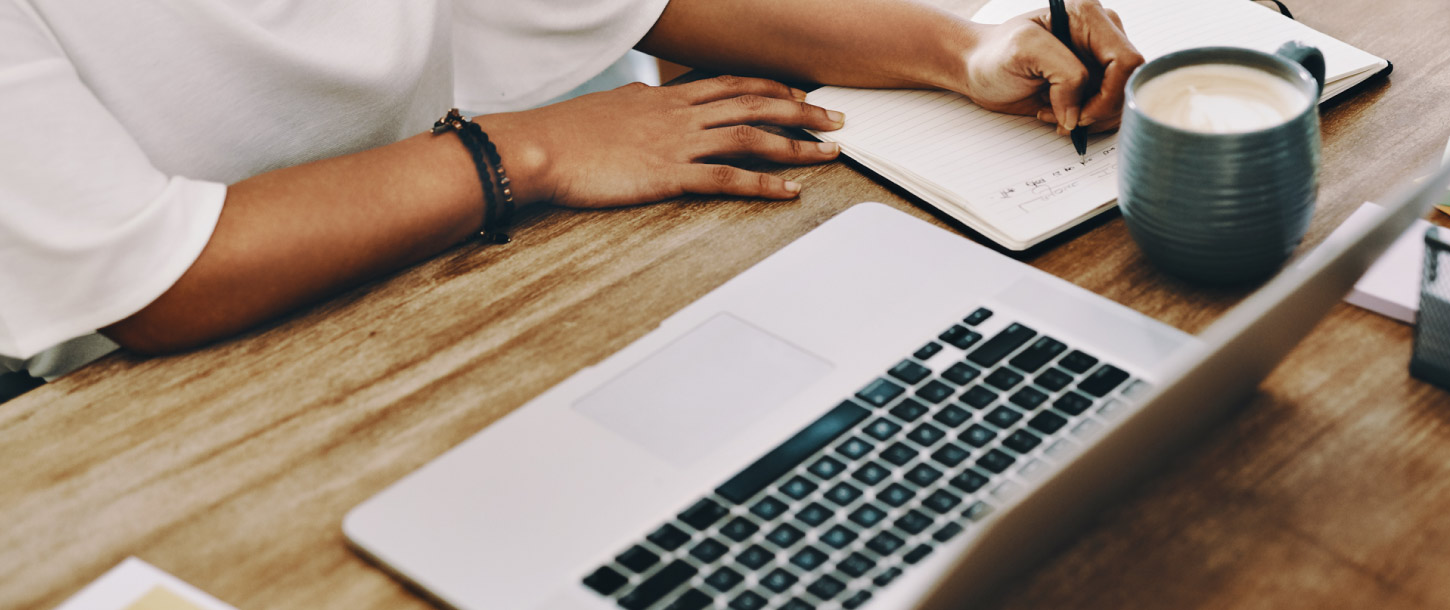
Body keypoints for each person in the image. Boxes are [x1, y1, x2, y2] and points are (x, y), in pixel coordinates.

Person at [0, 0, 1143, 383]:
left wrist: (958, 47)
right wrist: (518, 154)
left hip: (450, 292)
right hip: (176, 398)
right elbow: (153, 276)